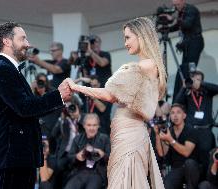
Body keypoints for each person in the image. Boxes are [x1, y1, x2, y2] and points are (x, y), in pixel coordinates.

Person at [67, 17, 166, 188]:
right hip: (128, 134)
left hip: (130, 135)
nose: (125, 43)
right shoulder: (146, 65)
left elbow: (109, 95)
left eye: (128, 37)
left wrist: (76, 87)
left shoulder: (144, 66)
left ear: (141, 36)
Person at [0, 22, 71, 189]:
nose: (28, 44)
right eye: (22, 38)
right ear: (7, 41)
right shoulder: (2, 69)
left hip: (18, 157)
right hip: (12, 157)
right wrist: (58, 95)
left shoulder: (8, 69)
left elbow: (25, 108)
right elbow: (24, 107)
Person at [174, 70, 218, 177]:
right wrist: (184, 87)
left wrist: (201, 84)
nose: (195, 82)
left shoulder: (207, 92)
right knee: (191, 158)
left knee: (205, 157)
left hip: (205, 130)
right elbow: (176, 102)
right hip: (191, 131)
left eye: (198, 79)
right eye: (193, 79)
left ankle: (205, 181)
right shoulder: (188, 94)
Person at [164, 0, 204, 98]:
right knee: (183, 69)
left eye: (177, 4)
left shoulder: (191, 10)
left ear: (183, 1)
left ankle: (190, 91)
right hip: (188, 44)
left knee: (189, 69)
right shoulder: (182, 11)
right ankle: (181, 93)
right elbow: (179, 26)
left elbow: (187, 24)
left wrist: (173, 19)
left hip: (195, 42)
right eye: (174, 5)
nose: (176, 7)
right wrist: (167, 29)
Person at [155, 103, 200, 189]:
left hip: (192, 168)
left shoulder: (191, 130)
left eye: (178, 112)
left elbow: (186, 152)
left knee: (189, 164)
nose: (175, 115)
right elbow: (162, 153)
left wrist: (170, 140)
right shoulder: (169, 131)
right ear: (170, 117)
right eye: (172, 113)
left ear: (184, 115)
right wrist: (157, 134)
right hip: (177, 168)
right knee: (166, 185)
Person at [64, 113, 110, 189]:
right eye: (89, 125)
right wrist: (77, 157)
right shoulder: (77, 139)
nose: (91, 128)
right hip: (79, 172)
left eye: (94, 125)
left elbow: (113, 160)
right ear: (84, 126)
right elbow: (69, 157)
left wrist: (103, 155)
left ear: (98, 126)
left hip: (97, 173)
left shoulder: (104, 139)